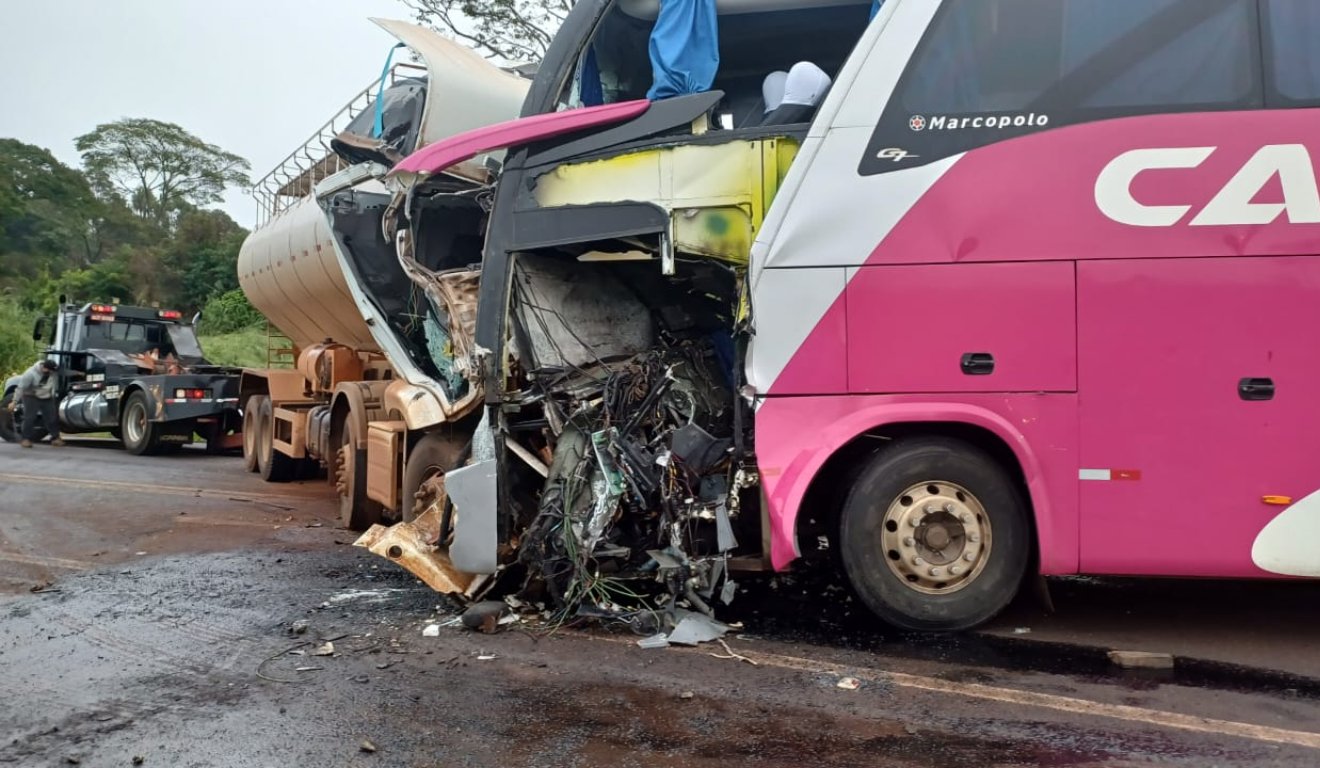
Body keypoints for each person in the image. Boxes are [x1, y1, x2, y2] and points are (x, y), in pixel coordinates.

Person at [13, 359, 63, 448]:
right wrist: (14, 401)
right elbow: (20, 388)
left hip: (46, 396)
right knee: (30, 417)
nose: (52, 373)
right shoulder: (30, 374)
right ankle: (26, 439)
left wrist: (78, 373)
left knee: (52, 417)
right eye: (50, 370)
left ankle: (55, 438)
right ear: (44, 368)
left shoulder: (51, 371)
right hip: (31, 396)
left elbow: (64, 372)